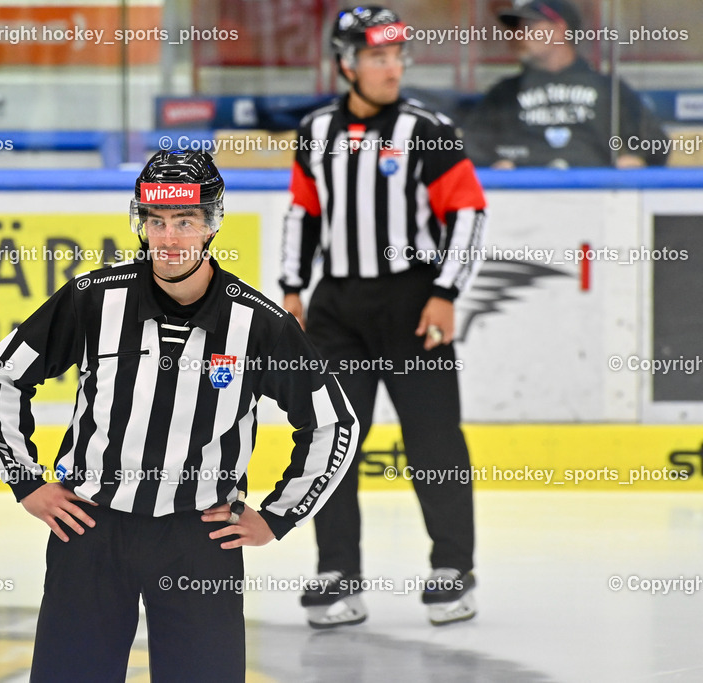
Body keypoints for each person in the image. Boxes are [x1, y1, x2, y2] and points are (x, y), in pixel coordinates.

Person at [0, 150, 358, 682]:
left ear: (212, 225)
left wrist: (278, 517)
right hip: (90, 528)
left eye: (185, 221)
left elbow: (334, 423)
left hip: (199, 541)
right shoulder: (94, 299)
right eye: (156, 221)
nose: (169, 238)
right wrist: (26, 481)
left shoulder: (259, 323)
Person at [280, 5, 487, 627]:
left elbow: (469, 213)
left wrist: (446, 292)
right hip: (337, 310)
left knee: (433, 439)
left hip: (412, 303)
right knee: (332, 438)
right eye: (377, 57)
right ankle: (337, 572)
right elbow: (302, 212)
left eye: (397, 56)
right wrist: (292, 289)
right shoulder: (315, 130)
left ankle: (453, 568)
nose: (392, 68)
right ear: (346, 65)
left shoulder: (428, 129)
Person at [464, 0, 668, 169]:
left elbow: (656, 143)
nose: (518, 35)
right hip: (525, 193)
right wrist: (494, 165)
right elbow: (471, 146)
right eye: (517, 28)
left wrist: (635, 159)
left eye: (529, 26)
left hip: (596, 192)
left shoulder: (606, 88)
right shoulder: (504, 93)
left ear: (559, 30)